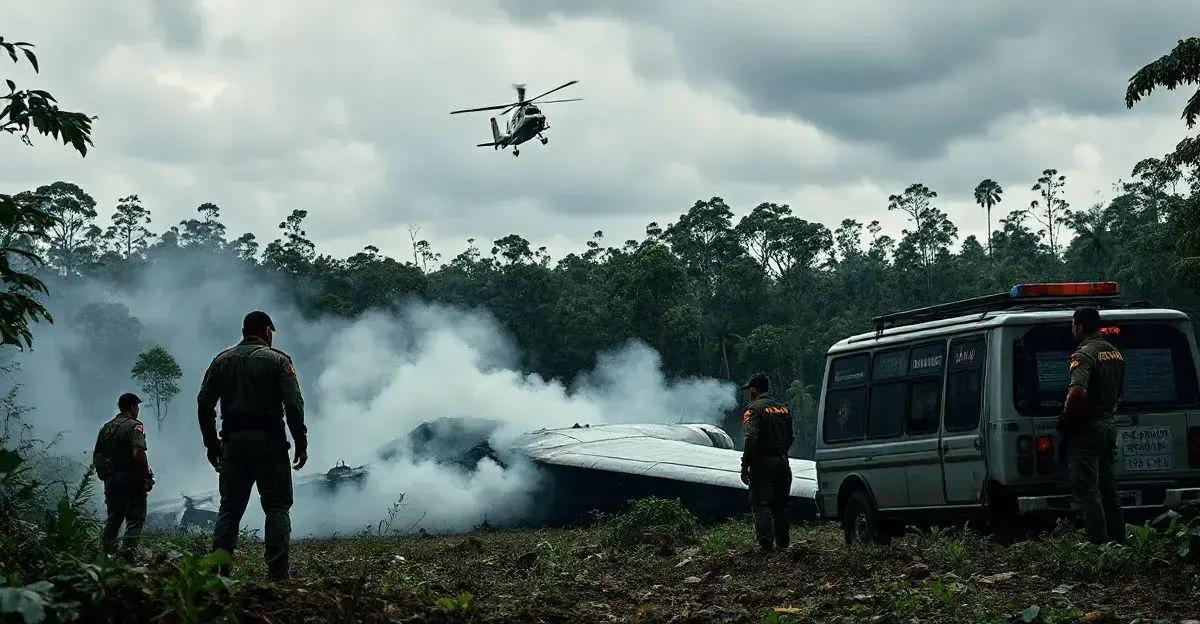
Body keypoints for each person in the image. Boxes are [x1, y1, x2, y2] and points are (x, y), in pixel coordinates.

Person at [198, 310, 307, 581]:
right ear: (267, 331)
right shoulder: (279, 361)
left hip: (233, 444)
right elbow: (293, 404)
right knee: (277, 507)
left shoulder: (220, 362)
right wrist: (301, 440)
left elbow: (204, 404)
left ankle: (218, 573)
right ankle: (277, 574)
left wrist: (212, 444)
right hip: (270, 443)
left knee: (230, 508)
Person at [1058, 307, 1126, 544]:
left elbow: (1077, 391)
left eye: (1072, 325)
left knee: (1087, 488)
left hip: (1088, 429)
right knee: (1109, 487)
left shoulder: (1084, 354)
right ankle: (1119, 540)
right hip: (1109, 425)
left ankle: (1099, 544)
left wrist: (1066, 419)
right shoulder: (1115, 353)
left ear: (1078, 326)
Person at [92, 392, 154, 558]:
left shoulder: (105, 427)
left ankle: (105, 557)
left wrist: (104, 475)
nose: (138, 410)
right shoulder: (135, 425)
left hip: (112, 479)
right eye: (137, 407)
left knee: (114, 518)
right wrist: (146, 476)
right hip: (132, 479)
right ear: (133, 407)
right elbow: (138, 452)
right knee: (135, 519)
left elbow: (97, 454)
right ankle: (127, 559)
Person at [739, 372, 794, 553]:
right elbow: (791, 437)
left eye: (750, 390)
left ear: (754, 390)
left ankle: (765, 545)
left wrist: (745, 465)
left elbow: (751, 438)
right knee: (780, 505)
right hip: (782, 462)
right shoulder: (783, 409)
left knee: (761, 504)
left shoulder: (753, 410)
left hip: (762, 464)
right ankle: (783, 544)